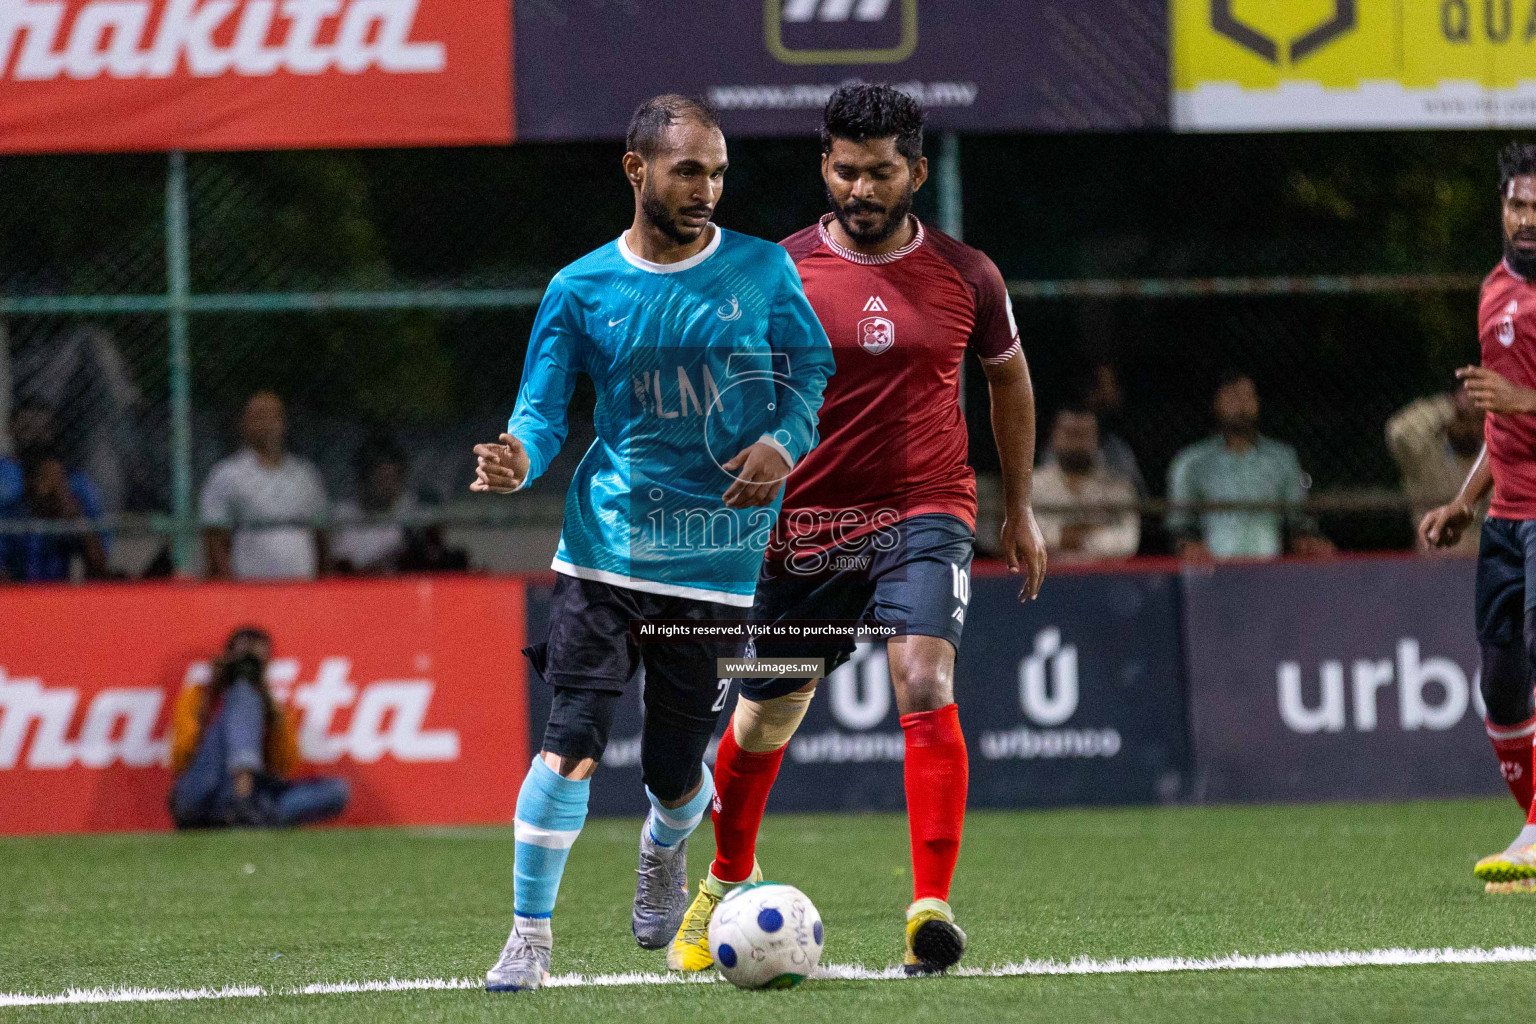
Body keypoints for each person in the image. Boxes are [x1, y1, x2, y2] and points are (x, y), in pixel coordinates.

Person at [669, 84, 1048, 978]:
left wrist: (1019, 505)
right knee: (765, 716)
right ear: (825, 167)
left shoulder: (969, 276)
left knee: (921, 673)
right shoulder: (776, 271)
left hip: (924, 507)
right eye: (845, 170)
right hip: (804, 523)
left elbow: (1010, 380)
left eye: (881, 172)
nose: (861, 189)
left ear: (915, 171)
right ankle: (724, 878)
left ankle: (929, 909)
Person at [470, 94, 833, 993]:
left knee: (676, 774)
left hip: (714, 562)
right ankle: (528, 936)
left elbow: (813, 370)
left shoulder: (761, 272)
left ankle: (665, 848)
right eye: (687, 170)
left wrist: (786, 442)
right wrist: (521, 456)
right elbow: (542, 411)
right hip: (604, 554)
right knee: (572, 738)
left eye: (717, 171)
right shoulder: (580, 287)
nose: (707, 188)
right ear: (637, 171)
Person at [1422, 143, 1536, 893]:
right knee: (1499, 683)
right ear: (1502, 207)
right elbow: (1501, 427)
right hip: (1505, 517)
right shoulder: (1494, 289)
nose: (1528, 219)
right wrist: (1465, 502)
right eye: (1519, 204)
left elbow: (1520, 407)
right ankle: (1533, 821)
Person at [168, 627, 349, 829]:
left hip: (253, 798)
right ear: (228, 657)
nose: (247, 668)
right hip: (204, 789)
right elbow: (181, 756)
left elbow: (283, 767)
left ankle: (242, 814)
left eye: (254, 662)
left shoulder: (270, 707)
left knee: (336, 791)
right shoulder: (198, 695)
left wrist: (269, 713)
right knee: (242, 694)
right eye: (242, 659)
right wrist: (218, 698)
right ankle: (243, 806)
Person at [1166, 372, 1334, 561]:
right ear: (1216, 402)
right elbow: (1179, 526)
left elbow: (1299, 519)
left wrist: (1308, 541)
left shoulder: (1282, 458)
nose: (1241, 405)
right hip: (1212, 570)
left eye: (1247, 396)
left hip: (1268, 570)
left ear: (1258, 402)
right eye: (1232, 396)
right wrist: (1188, 546)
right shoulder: (1191, 462)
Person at [200, 392, 329, 580]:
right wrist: (229, 591)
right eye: (259, 416)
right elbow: (214, 539)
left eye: (273, 415)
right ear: (244, 424)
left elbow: (321, 537)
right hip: (252, 592)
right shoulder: (226, 474)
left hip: (303, 591)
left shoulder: (305, 474)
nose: (267, 423)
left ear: (283, 422)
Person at [0, 400, 108, 582]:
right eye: (26, 429)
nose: (33, 437)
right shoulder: (5, 478)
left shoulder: (74, 482)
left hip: (57, 593)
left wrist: (65, 504)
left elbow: (98, 564)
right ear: (12, 430)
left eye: (41, 430)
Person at [1033, 406, 1140, 562]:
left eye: (1084, 435)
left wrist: (1079, 539)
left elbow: (1127, 542)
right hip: (1047, 575)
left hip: (1104, 578)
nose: (1076, 442)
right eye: (1069, 433)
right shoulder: (1031, 485)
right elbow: (1025, 537)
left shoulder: (1119, 488)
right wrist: (1075, 534)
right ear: (1053, 436)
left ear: (1096, 439)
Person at [1386, 389, 1485, 555]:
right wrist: (1447, 406)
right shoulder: (1424, 454)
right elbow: (1397, 431)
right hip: (1433, 559)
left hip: (1479, 559)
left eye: (1478, 419)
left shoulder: (1494, 460)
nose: (1469, 427)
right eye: (1462, 417)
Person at [1040, 362, 1146, 497]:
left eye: (1083, 434)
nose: (1107, 395)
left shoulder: (1118, 454)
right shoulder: (1034, 484)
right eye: (1070, 434)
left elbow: (1138, 500)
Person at [331, 433, 418, 574]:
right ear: (364, 478)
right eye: (382, 478)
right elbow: (343, 573)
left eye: (393, 479)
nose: (388, 486)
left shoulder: (411, 513)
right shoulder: (344, 517)